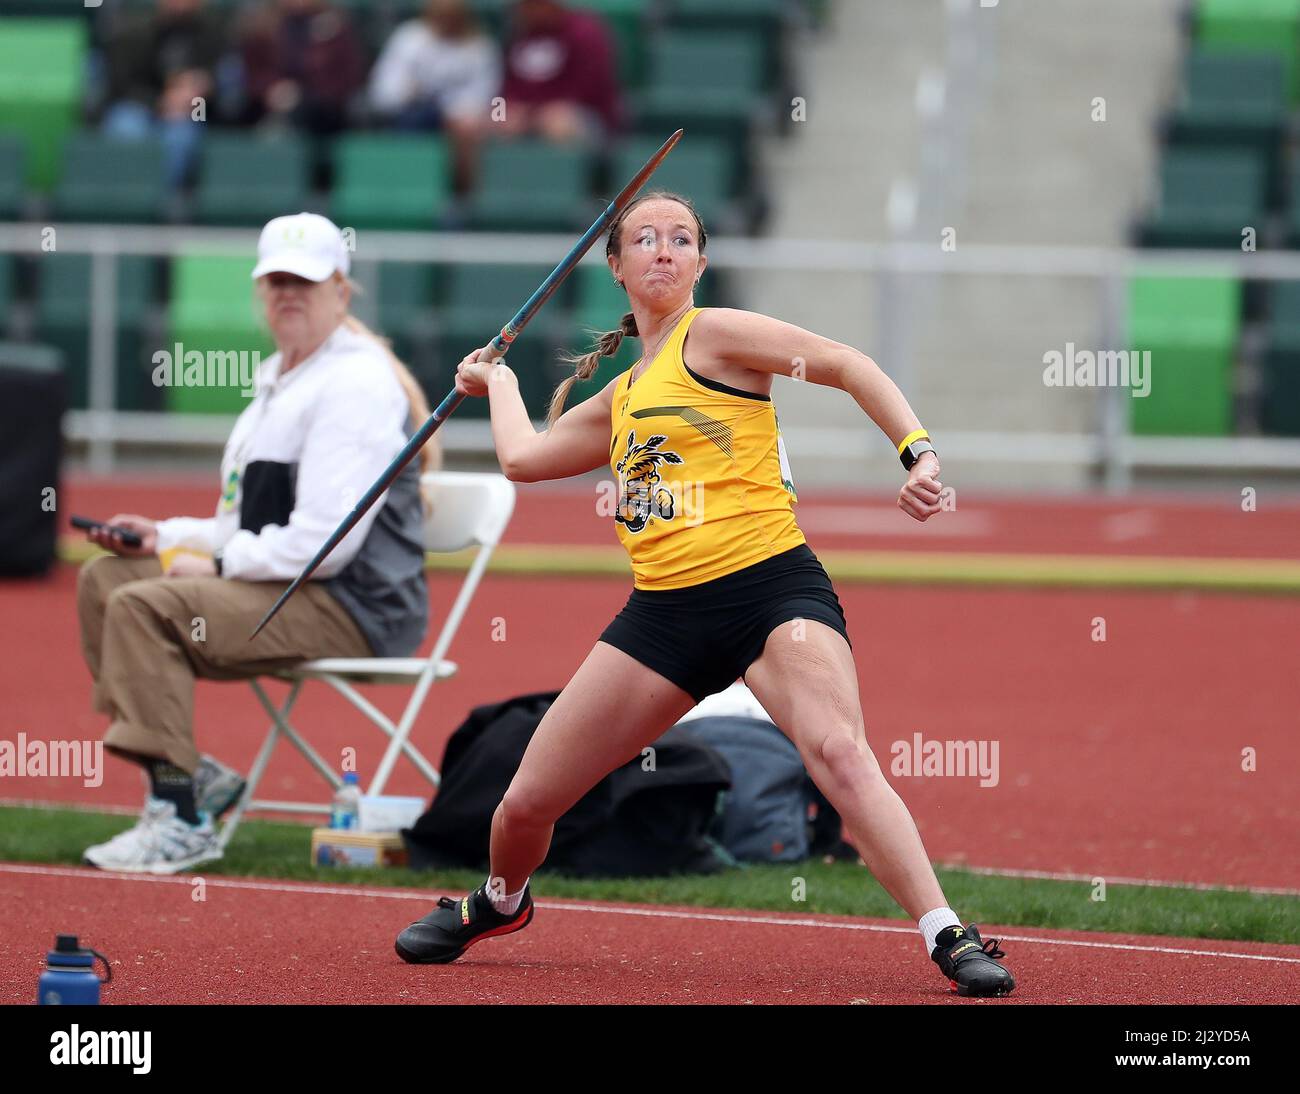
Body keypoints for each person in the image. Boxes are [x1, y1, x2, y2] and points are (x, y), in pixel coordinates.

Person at [393, 192, 1016, 998]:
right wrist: (499, 380)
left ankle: (948, 935)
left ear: (700, 263)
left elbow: (845, 364)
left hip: (770, 588)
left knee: (839, 753)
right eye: (645, 239)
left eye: (681, 239)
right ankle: (499, 901)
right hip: (664, 616)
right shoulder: (622, 396)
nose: (664, 249)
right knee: (523, 805)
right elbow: (523, 459)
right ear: (616, 267)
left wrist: (918, 452)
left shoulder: (714, 334)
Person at [77, 212, 438, 874]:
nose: (288, 293)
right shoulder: (278, 379)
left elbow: (326, 546)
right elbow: (242, 523)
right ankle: (190, 774)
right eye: (276, 281)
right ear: (260, 291)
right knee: (107, 579)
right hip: (289, 587)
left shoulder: (356, 383)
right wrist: (164, 537)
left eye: (305, 281)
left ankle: (181, 815)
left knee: (144, 605)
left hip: (354, 607)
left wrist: (214, 561)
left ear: (341, 290)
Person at [368, 0, 500, 193]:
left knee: (468, 130)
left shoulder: (480, 47)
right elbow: (382, 90)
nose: (446, 22)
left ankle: (463, 197)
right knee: (413, 121)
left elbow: (491, 99)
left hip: (459, 122)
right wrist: (407, 92)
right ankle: (407, 192)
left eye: (452, 17)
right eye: (441, 16)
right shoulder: (409, 38)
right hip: (408, 115)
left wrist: (454, 113)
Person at [100, 0, 230, 188]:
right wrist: (162, 102)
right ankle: (128, 193)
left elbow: (225, 87)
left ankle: (164, 197)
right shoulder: (136, 32)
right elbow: (121, 86)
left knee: (181, 135)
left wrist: (203, 88)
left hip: (194, 110)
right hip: (142, 105)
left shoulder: (215, 34)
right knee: (125, 125)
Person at [495, 0, 623, 143]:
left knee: (557, 122)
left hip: (586, 115)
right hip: (530, 113)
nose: (524, 11)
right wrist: (512, 108)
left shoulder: (585, 31)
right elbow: (504, 89)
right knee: (498, 118)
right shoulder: (516, 35)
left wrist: (541, 110)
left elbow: (592, 87)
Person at [237, 0, 366, 136]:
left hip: (321, 112)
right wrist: (272, 89)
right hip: (268, 105)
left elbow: (347, 78)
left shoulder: (336, 28)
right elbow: (254, 74)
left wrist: (301, 94)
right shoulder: (262, 28)